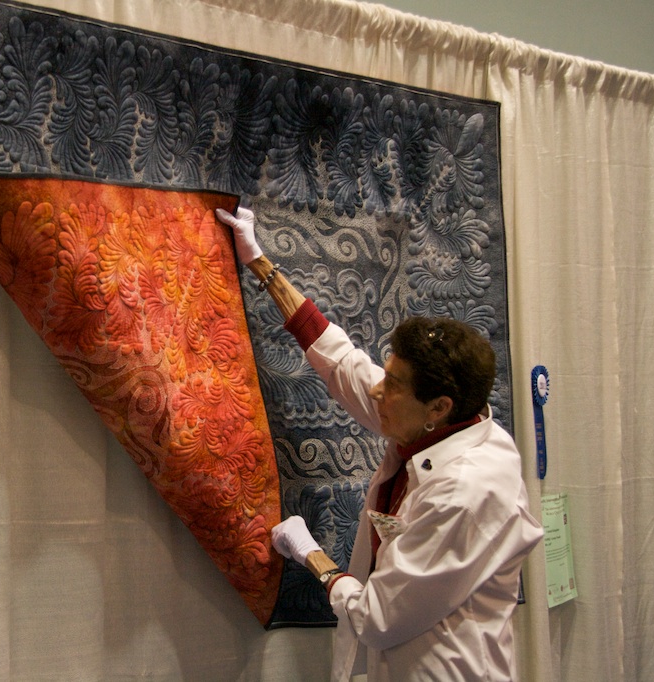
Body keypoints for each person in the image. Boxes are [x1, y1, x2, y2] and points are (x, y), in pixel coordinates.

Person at [215, 207, 543, 681]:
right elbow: (341, 360)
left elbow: (376, 617)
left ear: (438, 407)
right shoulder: (433, 425)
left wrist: (310, 554)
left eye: (392, 385)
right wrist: (260, 264)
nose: (376, 391)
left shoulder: (466, 492)